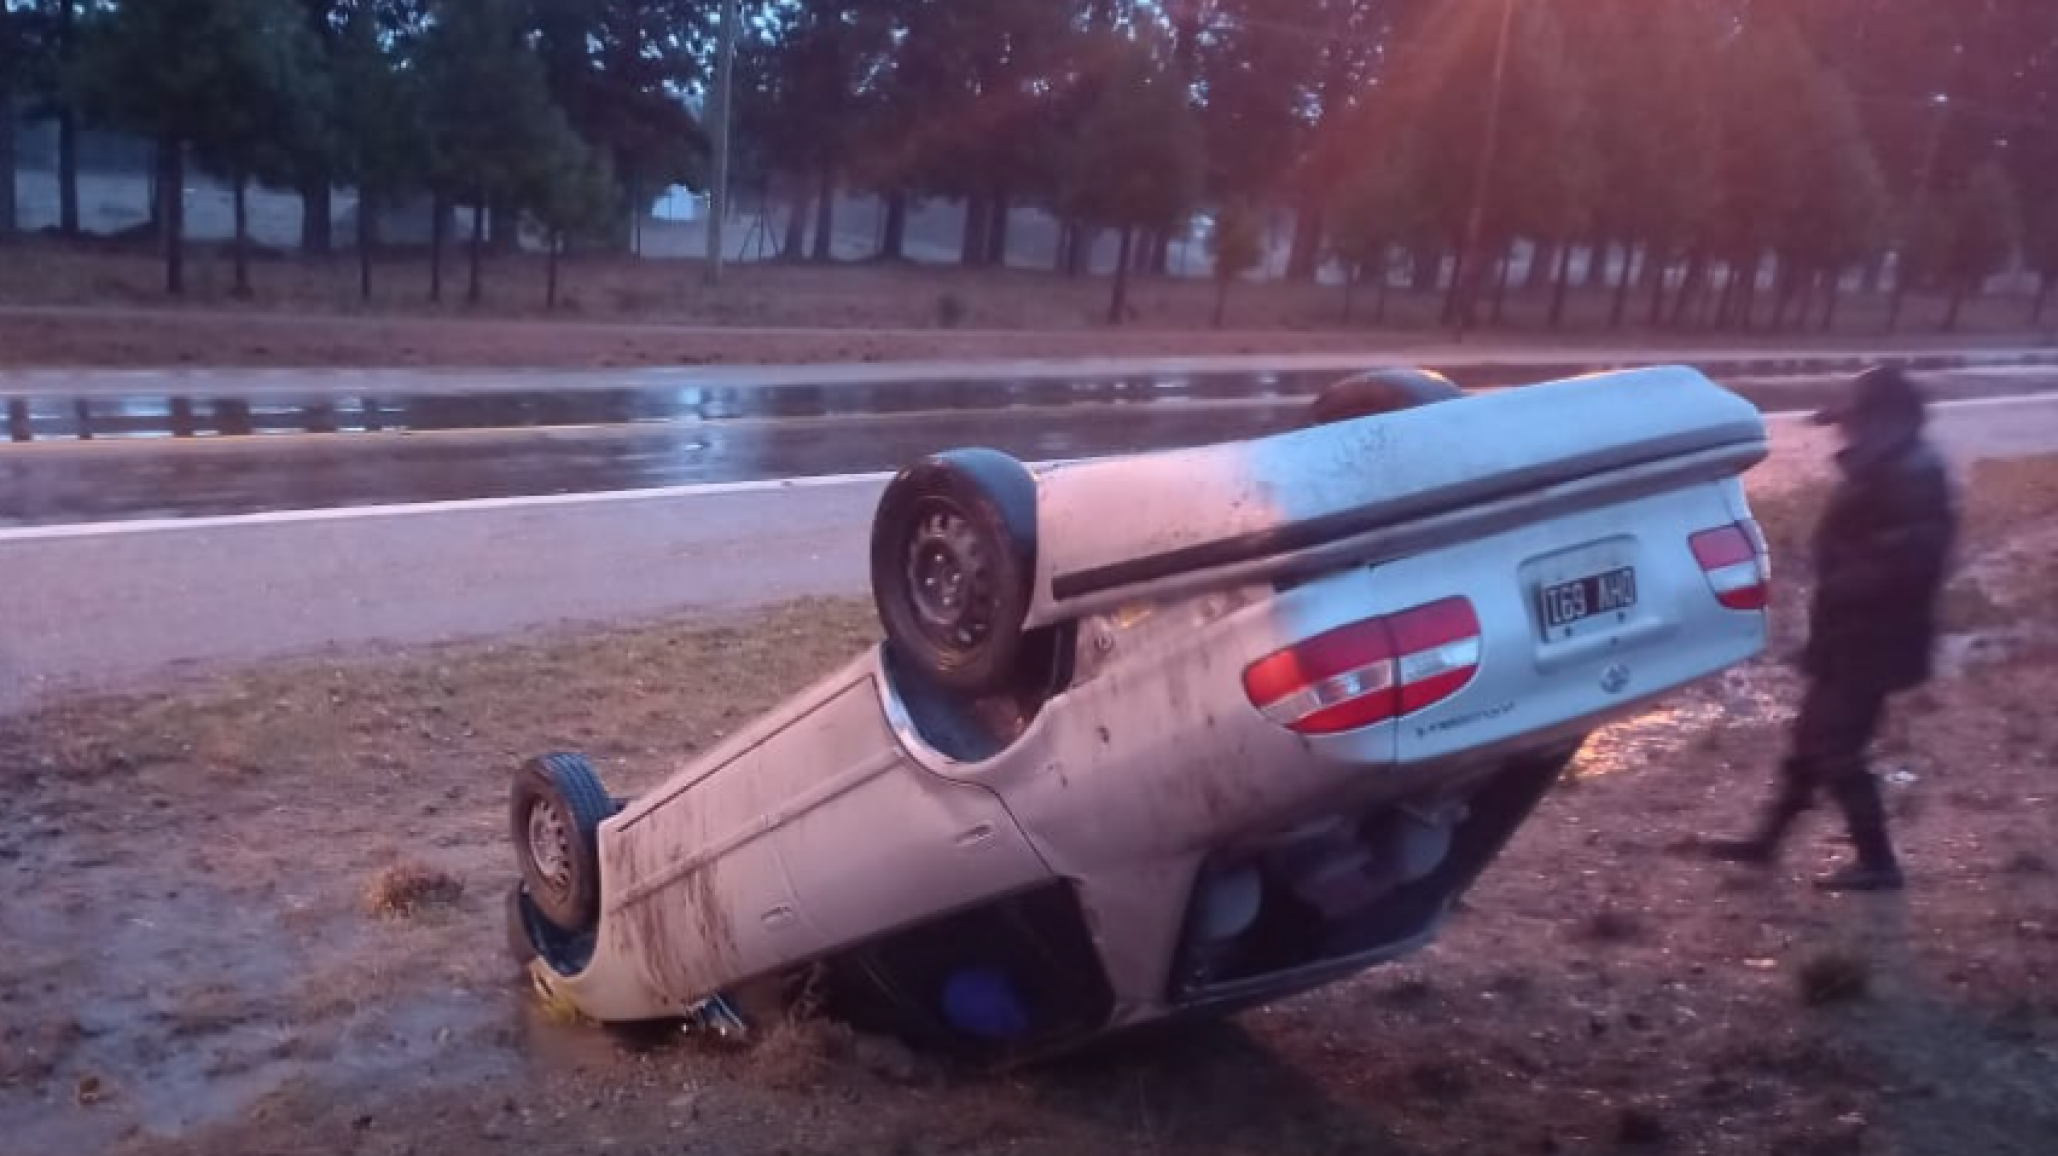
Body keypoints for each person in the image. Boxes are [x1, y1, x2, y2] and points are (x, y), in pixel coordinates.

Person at [1707, 365, 1958, 892]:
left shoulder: (1912, 472)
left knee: (1836, 746)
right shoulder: (1891, 464)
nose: (1844, 431)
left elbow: (1913, 559)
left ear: (1882, 419)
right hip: (1853, 632)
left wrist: (1844, 574)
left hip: (1874, 638)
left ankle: (1879, 863)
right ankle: (1767, 842)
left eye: (1853, 420)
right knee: (1811, 738)